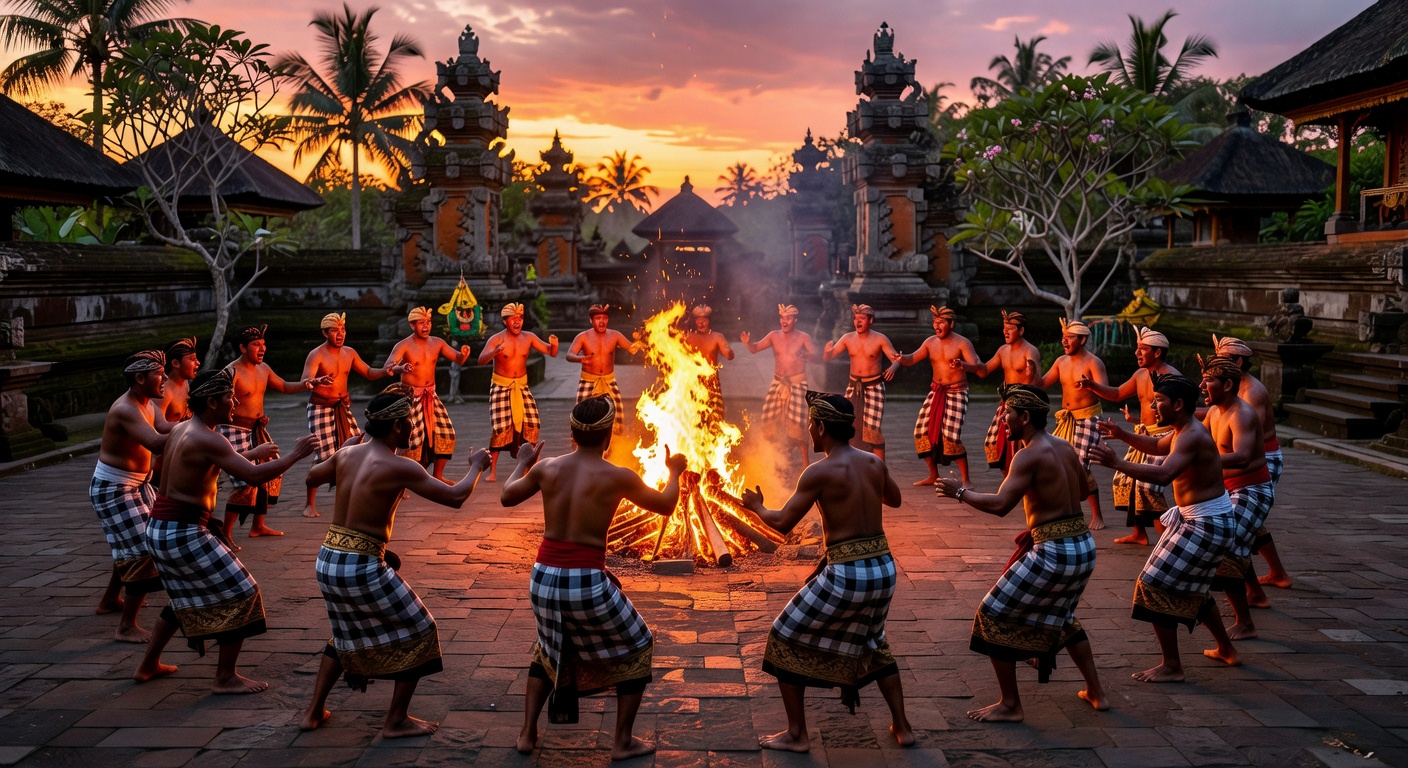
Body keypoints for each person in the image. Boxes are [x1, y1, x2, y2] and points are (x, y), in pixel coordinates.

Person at [502, 396, 686, 761]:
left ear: (571, 434)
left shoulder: (547, 467)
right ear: (608, 437)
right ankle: (622, 742)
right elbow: (666, 505)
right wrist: (674, 471)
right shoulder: (617, 476)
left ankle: (526, 734)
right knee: (638, 642)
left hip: (543, 577)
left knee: (548, 646)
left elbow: (507, 495)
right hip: (586, 582)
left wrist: (523, 462)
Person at [299, 391, 492, 738]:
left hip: (328, 558)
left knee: (346, 632)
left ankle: (312, 712)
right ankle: (396, 720)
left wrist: (347, 453)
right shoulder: (400, 465)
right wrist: (476, 465)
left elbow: (313, 477)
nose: (412, 428)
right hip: (361, 566)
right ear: (397, 426)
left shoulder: (347, 454)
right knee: (420, 629)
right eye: (409, 422)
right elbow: (456, 497)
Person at [741, 393, 913, 752]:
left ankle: (796, 735)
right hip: (883, 567)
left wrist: (757, 507)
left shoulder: (818, 471)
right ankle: (903, 726)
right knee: (875, 641)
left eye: (810, 424)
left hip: (846, 573)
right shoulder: (872, 462)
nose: (808, 432)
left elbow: (783, 522)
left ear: (820, 426)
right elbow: (894, 499)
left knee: (783, 636)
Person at [134, 368, 320, 693]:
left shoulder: (182, 431)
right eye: (228, 397)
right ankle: (225, 677)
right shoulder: (210, 437)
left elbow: (205, 463)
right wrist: (295, 455)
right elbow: (254, 477)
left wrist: (252, 454)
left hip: (161, 528)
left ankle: (148, 663)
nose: (234, 401)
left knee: (182, 597)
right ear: (211, 402)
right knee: (243, 593)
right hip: (183, 533)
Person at [937, 384, 1107, 722]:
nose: (1002, 421)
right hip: (1082, 547)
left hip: (1054, 553)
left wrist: (961, 493)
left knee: (992, 614)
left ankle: (1011, 704)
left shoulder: (1027, 454)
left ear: (1025, 417)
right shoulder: (1064, 446)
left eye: (1007, 415)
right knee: (1063, 618)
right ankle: (1096, 692)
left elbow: (1001, 505)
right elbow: (1079, 490)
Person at [1090, 374, 1241, 683]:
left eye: (1158, 401)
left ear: (1179, 404)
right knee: (1193, 585)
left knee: (1154, 584)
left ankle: (1172, 666)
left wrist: (1117, 464)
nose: (1153, 405)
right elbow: (1158, 446)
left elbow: (1163, 475)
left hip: (1206, 523)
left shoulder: (1191, 435)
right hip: (1204, 520)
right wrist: (1122, 433)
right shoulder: (1181, 431)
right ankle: (1227, 648)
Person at [218, 325, 330, 540]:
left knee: (273, 472)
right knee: (245, 481)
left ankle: (258, 526)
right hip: (233, 429)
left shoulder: (264, 368)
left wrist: (310, 383)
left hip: (257, 429)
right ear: (242, 347)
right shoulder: (230, 372)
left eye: (263, 344)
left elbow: (285, 386)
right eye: (256, 345)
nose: (262, 348)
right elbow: (219, 402)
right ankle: (226, 532)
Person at [92, 350, 171, 643]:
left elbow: (164, 427)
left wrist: (201, 422)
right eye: (158, 374)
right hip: (114, 489)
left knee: (135, 541)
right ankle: (126, 626)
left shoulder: (147, 403)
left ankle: (110, 599)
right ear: (140, 378)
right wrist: (198, 429)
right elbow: (154, 440)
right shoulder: (126, 408)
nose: (164, 379)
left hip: (138, 484)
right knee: (143, 549)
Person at [300, 312, 409, 518]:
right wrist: (316, 381)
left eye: (343, 330)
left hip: (342, 407)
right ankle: (309, 503)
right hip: (320, 408)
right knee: (325, 454)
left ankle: (352, 497)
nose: (340, 334)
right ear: (325, 332)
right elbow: (306, 378)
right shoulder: (316, 355)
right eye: (335, 330)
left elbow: (368, 372)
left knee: (357, 446)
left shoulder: (349, 352)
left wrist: (389, 371)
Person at [1078, 326, 1180, 544]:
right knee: (1124, 480)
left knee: (1147, 486)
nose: (1137, 353)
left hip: (1164, 436)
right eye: (1137, 348)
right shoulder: (1140, 374)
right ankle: (1139, 533)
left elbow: (1184, 408)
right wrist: (1092, 385)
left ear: (1158, 352)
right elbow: (1116, 393)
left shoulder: (1171, 377)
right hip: (1143, 435)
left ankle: (1168, 540)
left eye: (1142, 349)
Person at [1198, 354, 1273, 641]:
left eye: (1208, 381)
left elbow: (1241, 457)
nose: (1202, 386)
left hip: (1252, 490)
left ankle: (1245, 622)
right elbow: (1192, 441)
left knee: (1227, 548)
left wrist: (1202, 460)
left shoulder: (1241, 413)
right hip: (1228, 488)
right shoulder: (1215, 412)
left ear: (1227, 384)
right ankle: (1254, 592)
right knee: (1232, 543)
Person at [1213, 335, 1292, 597]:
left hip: (1262, 460)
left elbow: (1247, 444)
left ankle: (1262, 586)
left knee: (1240, 525)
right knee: (1245, 522)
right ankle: (1271, 578)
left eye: (1221, 362)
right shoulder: (1230, 393)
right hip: (1242, 464)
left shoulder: (1251, 393)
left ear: (1237, 361)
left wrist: (1205, 460)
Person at [387, 306, 473, 480]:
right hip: (410, 398)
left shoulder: (437, 342)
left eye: (428, 322)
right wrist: (400, 367)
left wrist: (464, 354)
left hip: (431, 396)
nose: (426, 326)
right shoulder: (403, 345)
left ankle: (438, 476)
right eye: (421, 323)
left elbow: (457, 359)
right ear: (412, 325)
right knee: (411, 440)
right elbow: (388, 367)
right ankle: (404, 480)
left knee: (446, 434)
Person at [899, 305, 980, 486]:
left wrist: (963, 365)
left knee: (950, 436)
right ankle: (933, 474)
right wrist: (900, 359)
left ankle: (966, 479)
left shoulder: (962, 343)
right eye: (935, 322)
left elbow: (976, 364)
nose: (937, 326)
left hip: (957, 391)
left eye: (941, 322)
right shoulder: (930, 342)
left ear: (951, 324)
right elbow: (912, 359)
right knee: (921, 432)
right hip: (936, 391)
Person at [479, 303, 559, 481]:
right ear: (505, 321)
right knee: (500, 428)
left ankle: (532, 468)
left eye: (520, 318)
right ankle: (492, 472)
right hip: (501, 387)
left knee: (532, 423)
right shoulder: (496, 339)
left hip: (521, 387)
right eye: (513, 319)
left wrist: (554, 345)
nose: (517, 322)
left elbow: (550, 352)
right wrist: (494, 352)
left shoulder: (529, 337)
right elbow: (481, 360)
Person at [1041, 319, 1108, 529]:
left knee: (1080, 467)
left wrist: (1091, 385)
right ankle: (1066, 511)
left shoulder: (1093, 363)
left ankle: (1097, 515)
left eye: (1069, 338)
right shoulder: (1061, 362)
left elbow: (1106, 390)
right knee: (1059, 463)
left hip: (1089, 419)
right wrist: (1030, 371)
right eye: (1064, 337)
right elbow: (1041, 384)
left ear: (1082, 339)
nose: (1065, 341)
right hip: (1067, 419)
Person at [742, 304, 818, 467]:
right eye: (782, 318)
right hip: (778, 383)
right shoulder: (773, 336)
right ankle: (772, 459)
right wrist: (748, 343)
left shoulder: (803, 337)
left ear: (795, 320)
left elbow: (815, 355)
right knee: (769, 419)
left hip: (797, 384)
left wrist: (806, 354)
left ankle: (805, 463)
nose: (785, 321)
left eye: (788, 318)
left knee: (798, 423)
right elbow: (755, 348)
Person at [823, 304, 901, 460]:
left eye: (862, 319)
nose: (857, 322)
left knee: (872, 430)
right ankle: (853, 465)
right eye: (855, 319)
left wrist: (893, 367)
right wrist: (826, 352)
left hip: (874, 388)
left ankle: (880, 470)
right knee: (848, 426)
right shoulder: (847, 338)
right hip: (853, 387)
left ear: (870, 321)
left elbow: (897, 359)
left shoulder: (880, 339)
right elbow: (829, 357)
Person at [968, 311, 1041, 475]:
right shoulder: (1003, 351)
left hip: (1023, 407)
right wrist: (966, 365)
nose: (1005, 332)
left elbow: (1036, 381)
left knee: (1019, 448)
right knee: (995, 444)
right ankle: (1010, 482)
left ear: (1021, 331)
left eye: (1010, 328)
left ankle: (1023, 485)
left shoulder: (1030, 351)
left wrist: (1031, 372)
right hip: (1006, 405)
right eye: (1004, 328)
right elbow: (984, 370)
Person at [565, 304, 639, 437]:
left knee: (617, 413)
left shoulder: (615, 335)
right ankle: (581, 446)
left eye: (604, 318)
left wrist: (640, 339)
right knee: (582, 415)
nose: (602, 321)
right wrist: (580, 359)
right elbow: (569, 355)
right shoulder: (583, 337)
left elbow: (632, 349)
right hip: (588, 381)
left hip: (609, 381)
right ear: (591, 321)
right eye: (598, 318)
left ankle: (613, 446)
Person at [683, 305, 734, 425]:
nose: (701, 322)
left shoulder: (717, 337)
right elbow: (673, 350)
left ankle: (715, 440)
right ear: (694, 321)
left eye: (704, 319)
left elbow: (729, 355)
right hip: (693, 380)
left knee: (715, 415)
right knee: (693, 414)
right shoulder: (688, 337)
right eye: (698, 320)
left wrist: (728, 352)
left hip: (712, 381)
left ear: (709, 321)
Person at [160, 337, 200, 423]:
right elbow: (157, 427)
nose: (198, 363)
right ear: (175, 363)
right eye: (192, 359)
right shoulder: (164, 391)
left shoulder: (185, 383)